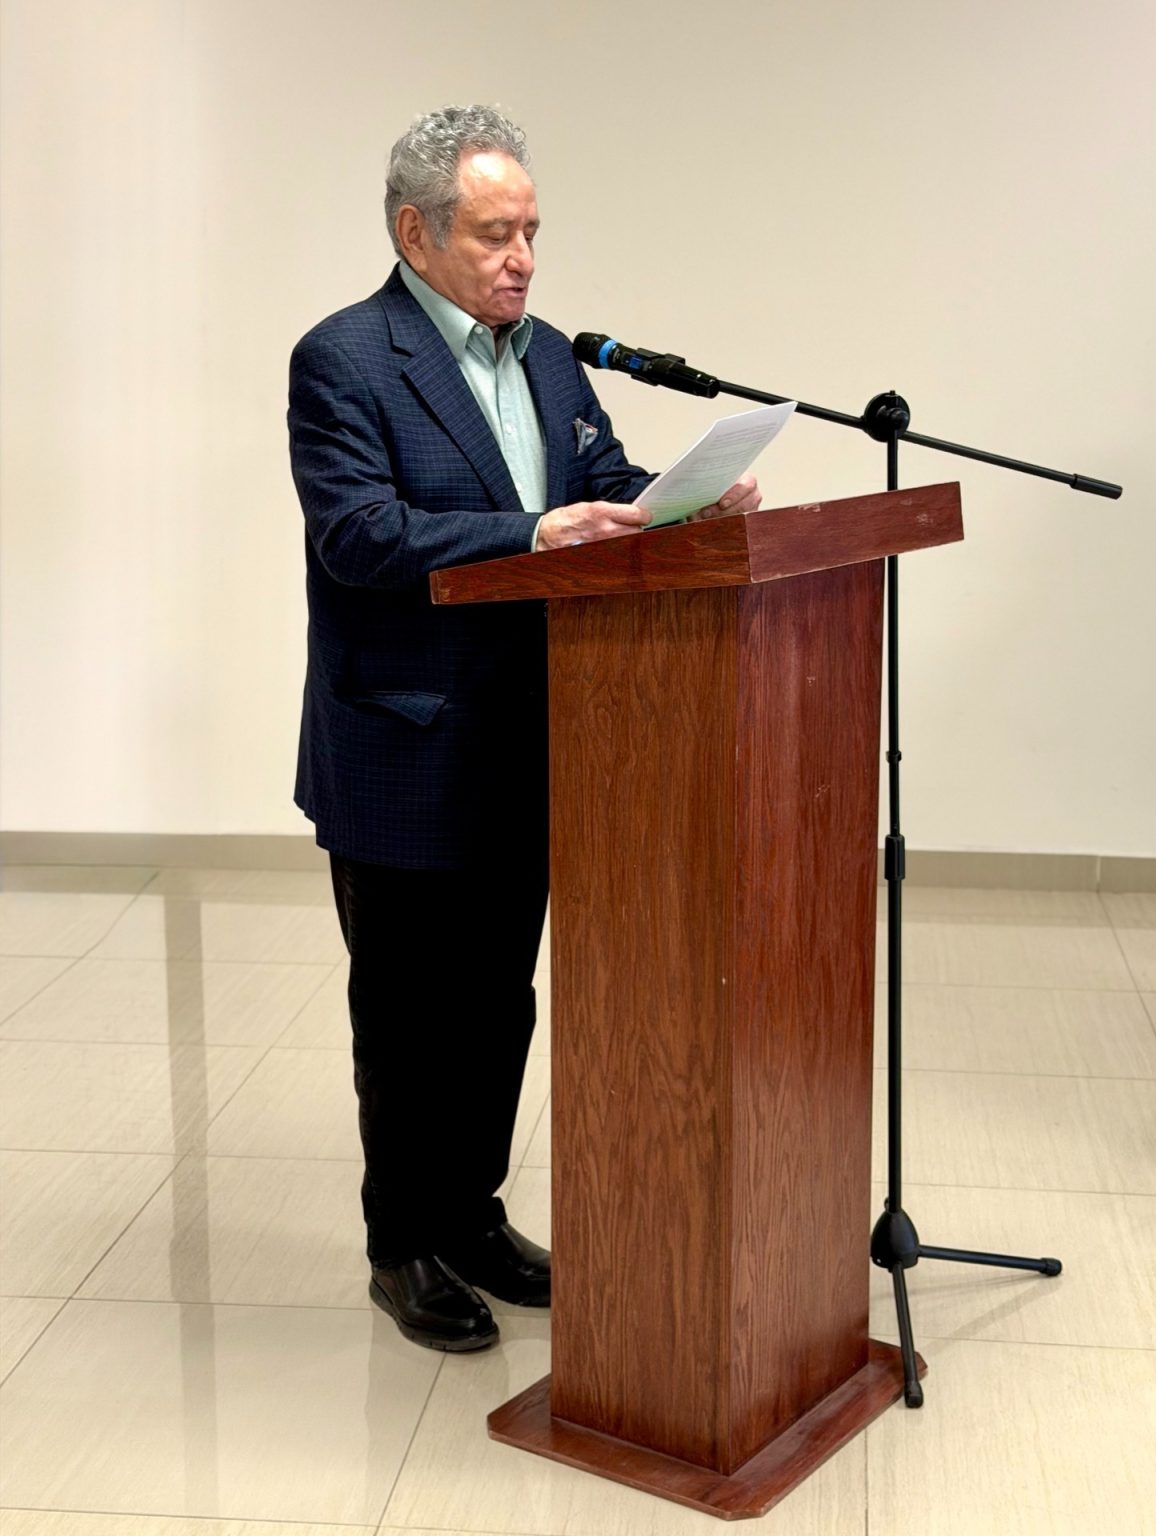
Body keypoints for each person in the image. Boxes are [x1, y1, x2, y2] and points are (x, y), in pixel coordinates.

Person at [288, 105, 760, 1354]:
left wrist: (686, 503)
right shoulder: (344, 358)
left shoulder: (547, 355)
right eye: (496, 234)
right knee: (409, 1018)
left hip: (539, 738)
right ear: (415, 233)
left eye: (532, 232)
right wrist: (533, 533)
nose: (523, 260)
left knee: (497, 1004)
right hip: (402, 744)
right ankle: (403, 1246)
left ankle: (473, 1215)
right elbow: (360, 535)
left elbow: (597, 486)